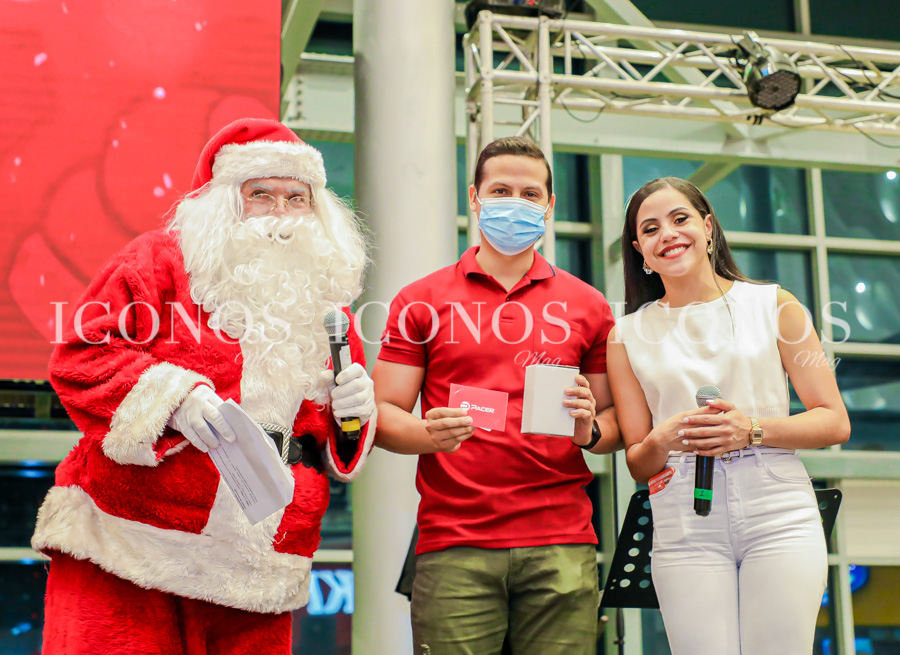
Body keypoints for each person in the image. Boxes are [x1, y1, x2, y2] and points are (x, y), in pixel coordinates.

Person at [31, 118, 377, 655]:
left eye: (296, 198)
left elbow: (329, 437)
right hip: (132, 539)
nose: (281, 213)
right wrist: (175, 400)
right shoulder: (160, 260)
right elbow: (83, 354)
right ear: (225, 201)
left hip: (261, 559)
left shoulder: (329, 308)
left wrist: (354, 418)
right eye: (261, 194)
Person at [373, 137, 622, 655]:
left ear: (550, 206)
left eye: (531, 194)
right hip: (454, 542)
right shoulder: (420, 300)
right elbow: (383, 413)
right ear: (475, 197)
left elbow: (614, 422)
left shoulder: (589, 305)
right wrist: (426, 434)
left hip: (563, 540)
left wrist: (589, 429)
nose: (517, 203)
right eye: (501, 190)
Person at [607, 177, 851, 655]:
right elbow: (639, 461)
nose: (669, 235)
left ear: (708, 226)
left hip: (777, 511)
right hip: (683, 517)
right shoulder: (626, 334)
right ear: (640, 250)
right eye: (651, 229)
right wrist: (662, 437)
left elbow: (834, 420)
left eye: (680, 219)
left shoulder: (776, 306)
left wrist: (751, 430)